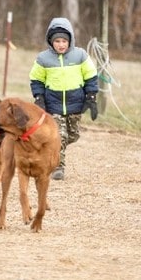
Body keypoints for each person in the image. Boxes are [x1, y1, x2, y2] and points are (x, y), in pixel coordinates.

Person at [29, 17, 99, 181]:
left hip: (76, 103)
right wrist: (39, 98)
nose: (61, 44)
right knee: (59, 136)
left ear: (70, 41)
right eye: (57, 41)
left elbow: (91, 76)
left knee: (72, 136)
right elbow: (36, 79)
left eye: (64, 41)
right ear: (51, 41)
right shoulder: (43, 59)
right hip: (53, 104)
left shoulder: (80, 55)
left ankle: (50, 149)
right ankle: (57, 167)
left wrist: (91, 96)